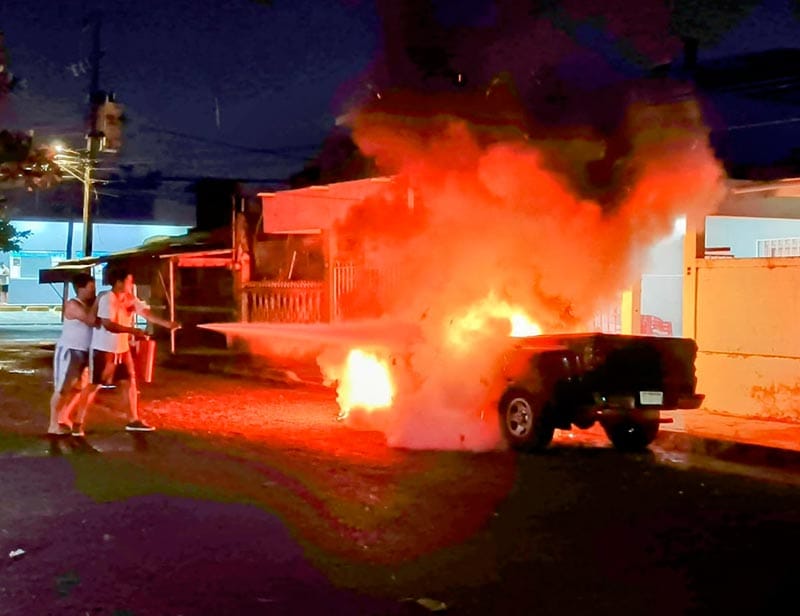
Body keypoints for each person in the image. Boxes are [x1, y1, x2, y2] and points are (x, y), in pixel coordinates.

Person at [87, 266, 178, 432]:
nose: (132, 284)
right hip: (104, 349)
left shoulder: (128, 298)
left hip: (122, 349)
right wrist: (133, 331)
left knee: (129, 382)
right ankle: (75, 420)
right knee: (95, 385)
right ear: (119, 283)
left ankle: (133, 419)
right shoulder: (107, 298)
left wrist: (167, 324)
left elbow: (146, 313)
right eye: (129, 281)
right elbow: (108, 325)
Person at [48, 273, 98, 436]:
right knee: (62, 389)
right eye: (91, 288)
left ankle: (64, 416)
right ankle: (53, 424)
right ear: (80, 289)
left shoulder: (88, 305)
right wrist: (99, 302)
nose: (93, 291)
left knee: (79, 388)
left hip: (84, 352)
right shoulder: (73, 305)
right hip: (70, 351)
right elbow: (90, 320)